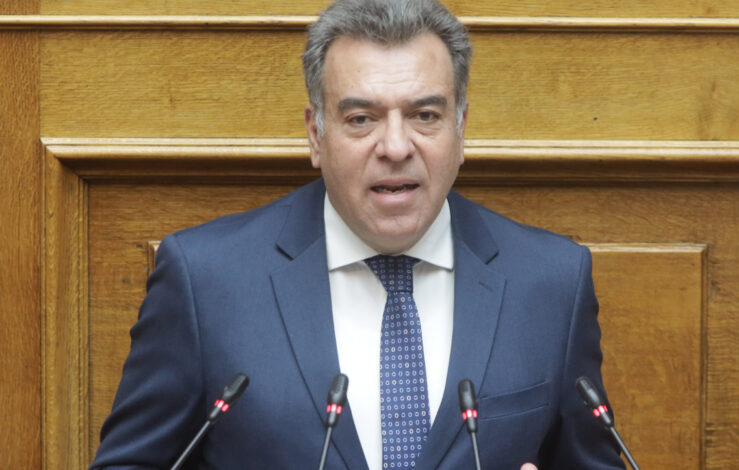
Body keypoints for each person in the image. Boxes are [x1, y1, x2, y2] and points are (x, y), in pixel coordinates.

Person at [90, 0, 625, 468]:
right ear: (315, 134)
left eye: (425, 115)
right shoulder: (205, 281)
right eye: (362, 119)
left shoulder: (552, 282)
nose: (395, 147)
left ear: (460, 128)